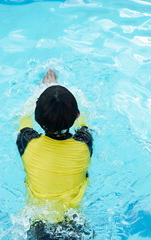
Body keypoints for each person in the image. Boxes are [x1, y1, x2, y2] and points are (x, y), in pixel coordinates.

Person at [16, 69, 94, 239]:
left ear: (38, 120)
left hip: (39, 224)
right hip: (74, 222)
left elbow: (23, 120)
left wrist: (44, 88)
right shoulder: (84, 144)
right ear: (77, 114)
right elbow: (84, 125)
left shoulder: (27, 143)